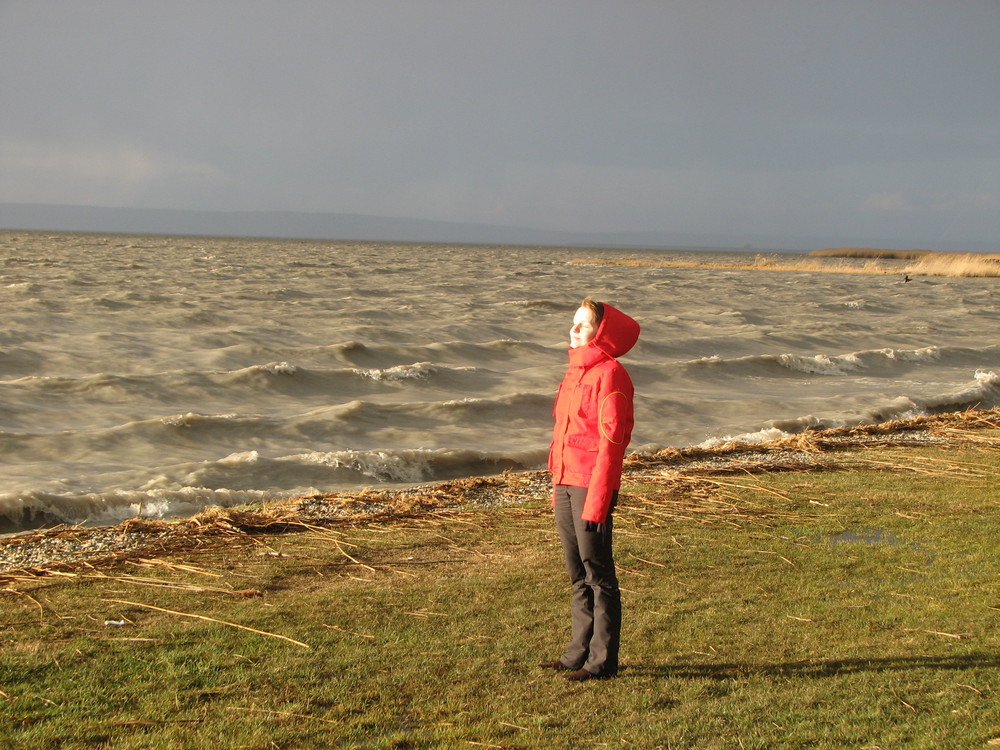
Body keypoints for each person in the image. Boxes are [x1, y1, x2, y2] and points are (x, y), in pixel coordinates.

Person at [541, 296, 640, 681]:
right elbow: (563, 435)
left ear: (600, 333)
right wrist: (555, 485)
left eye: (581, 325)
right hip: (565, 483)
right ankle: (576, 653)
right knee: (576, 573)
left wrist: (598, 502)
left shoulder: (611, 375)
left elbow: (612, 444)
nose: (573, 330)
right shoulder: (573, 373)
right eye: (573, 323)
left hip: (590, 487)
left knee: (598, 573)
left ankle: (602, 663)